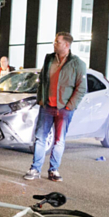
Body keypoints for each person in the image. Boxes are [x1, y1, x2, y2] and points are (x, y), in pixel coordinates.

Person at [23, 32, 87, 183]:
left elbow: (81, 88)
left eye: (57, 42)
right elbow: (43, 81)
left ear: (67, 44)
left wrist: (69, 106)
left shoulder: (78, 63)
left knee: (59, 140)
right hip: (47, 107)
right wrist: (41, 99)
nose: (54, 44)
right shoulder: (49, 59)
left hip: (64, 109)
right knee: (40, 138)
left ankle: (53, 170)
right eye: (55, 41)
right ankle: (35, 168)